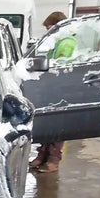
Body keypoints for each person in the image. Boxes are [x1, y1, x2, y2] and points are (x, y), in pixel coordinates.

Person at [29, 11, 70, 173]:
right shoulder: (57, 42)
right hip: (52, 87)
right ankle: (43, 155)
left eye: (49, 27)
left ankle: (53, 159)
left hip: (62, 88)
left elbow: (60, 66)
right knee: (48, 123)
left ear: (58, 25)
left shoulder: (67, 42)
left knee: (57, 125)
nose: (48, 31)